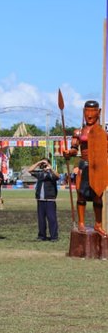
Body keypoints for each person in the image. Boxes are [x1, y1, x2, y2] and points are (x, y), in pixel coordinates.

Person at [62, 100, 108, 234]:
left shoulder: (103, 133)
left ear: (98, 113)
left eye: (93, 111)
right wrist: (68, 153)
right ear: (83, 112)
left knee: (97, 196)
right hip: (83, 166)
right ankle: (81, 223)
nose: (90, 114)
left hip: (97, 168)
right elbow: (74, 149)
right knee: (81, 195)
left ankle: (98, 224)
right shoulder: (79, 132)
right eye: (87, 111)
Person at [28, 158, 59, 241]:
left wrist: (50, 167)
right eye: (43, 164)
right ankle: (42, 236)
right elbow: (30, 170)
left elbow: (58, 176)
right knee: (41, 219)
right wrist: (39, 162)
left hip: (50, 200)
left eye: (45, 164)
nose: (44, 166)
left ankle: (54, 236)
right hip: (40, 200)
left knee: (52, 219)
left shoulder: (51, 174)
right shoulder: (40, 174)